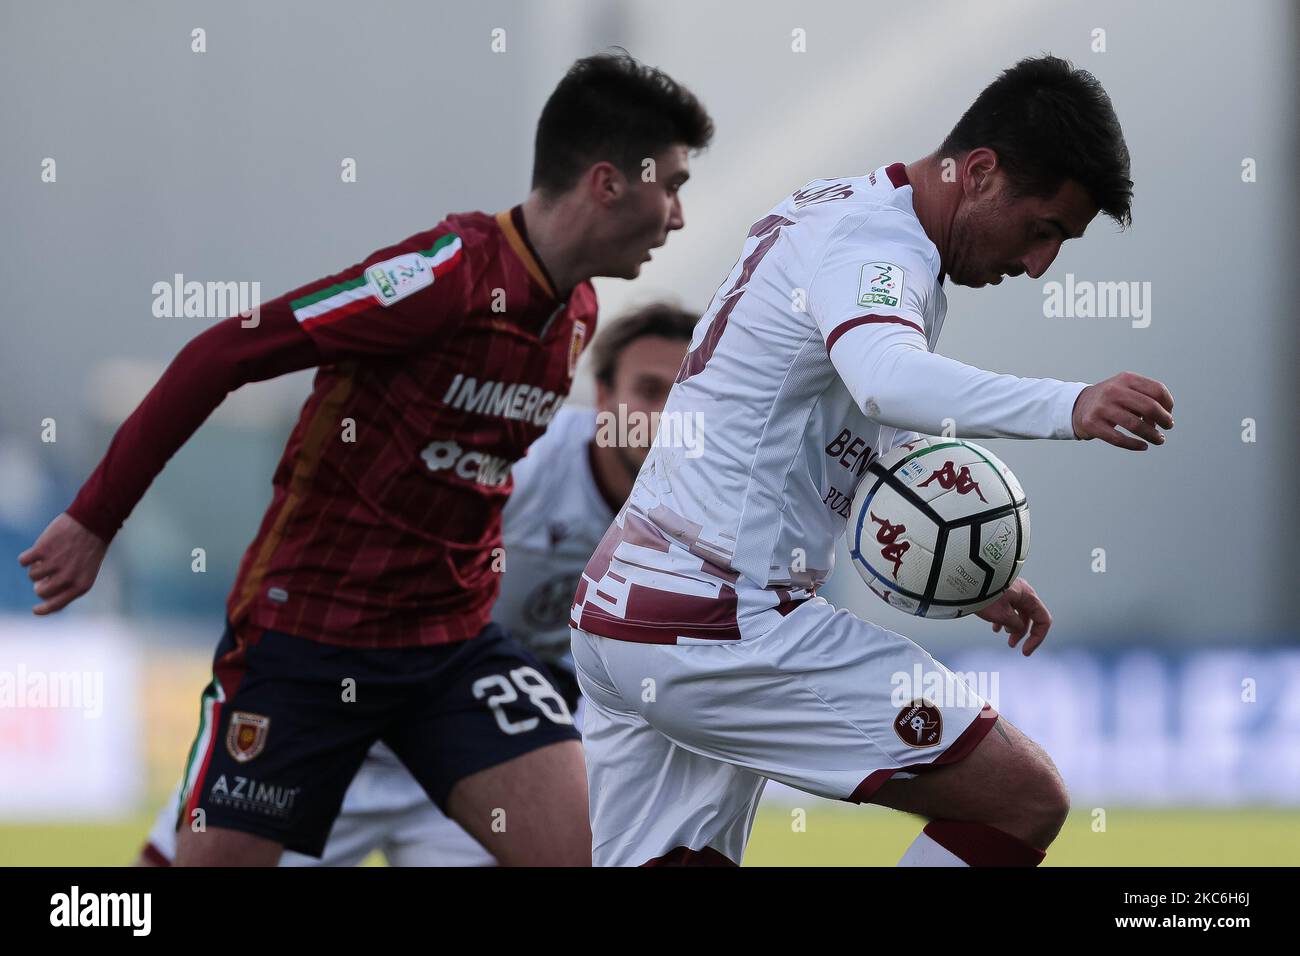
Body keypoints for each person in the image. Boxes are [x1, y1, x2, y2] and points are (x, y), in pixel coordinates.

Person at [20, 53, 713, 867]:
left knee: (587, 856)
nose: (677, 216)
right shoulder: (441, 277)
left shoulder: (579, 313)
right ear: (607, 182)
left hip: (449, 649)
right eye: (671, 185)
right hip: (310, 640)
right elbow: (221, 352)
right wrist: (93, 521)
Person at [569, 55, 1175, 867]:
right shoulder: (877, 246)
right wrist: (1070, 405)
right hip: (721, 618)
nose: (1040, 267)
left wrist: (958, 553)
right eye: (1045, 230)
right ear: (983, 172)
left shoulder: (839, 211)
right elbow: (886, 383)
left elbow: (818, 424)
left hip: (629, 602)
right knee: (1021, 801)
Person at [135, 304, 696, 866]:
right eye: (648, 390)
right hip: (347, 738)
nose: (664, 414)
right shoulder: (523, 466)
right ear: (601, 396)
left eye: (684, 394)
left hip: (479, 756)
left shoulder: (712, 512)